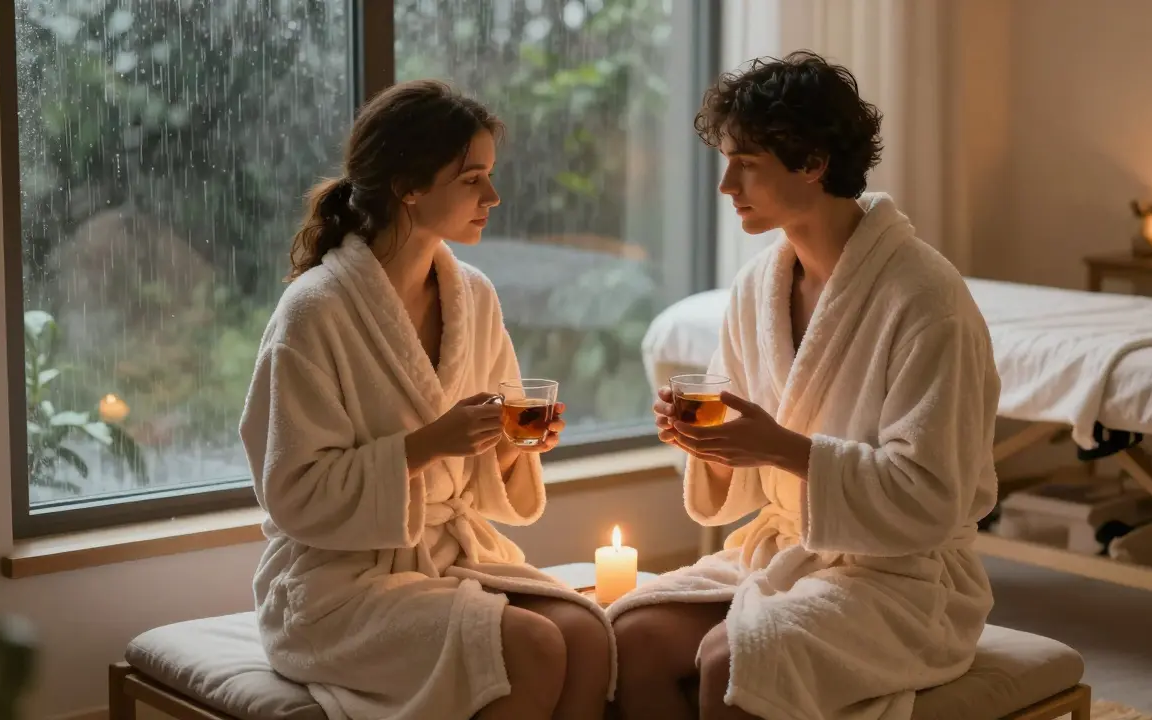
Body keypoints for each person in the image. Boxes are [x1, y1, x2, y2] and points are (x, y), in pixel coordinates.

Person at [606, 51, 1001, 720]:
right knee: (628, 639)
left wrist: (783, 448)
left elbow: (932, 499)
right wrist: (708, 444)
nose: (727, 185)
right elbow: (743, 479)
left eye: (748, 164)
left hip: (902, 583)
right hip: (784, 554)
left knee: (736, 662)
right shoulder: (758, 286)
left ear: (813, 163)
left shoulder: (925, 298)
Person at [239, 80, 612, 720]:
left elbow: (486, 456)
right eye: (472, 179)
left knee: (589, 637)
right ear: (409, 187)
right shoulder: (314, 312)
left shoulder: (473, 296)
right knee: (531, 647)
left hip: (449, 559)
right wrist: (428, 445)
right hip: (338, 585)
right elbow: (293, 490)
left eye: (490, 176)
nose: (492, 196)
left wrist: (512, 449)